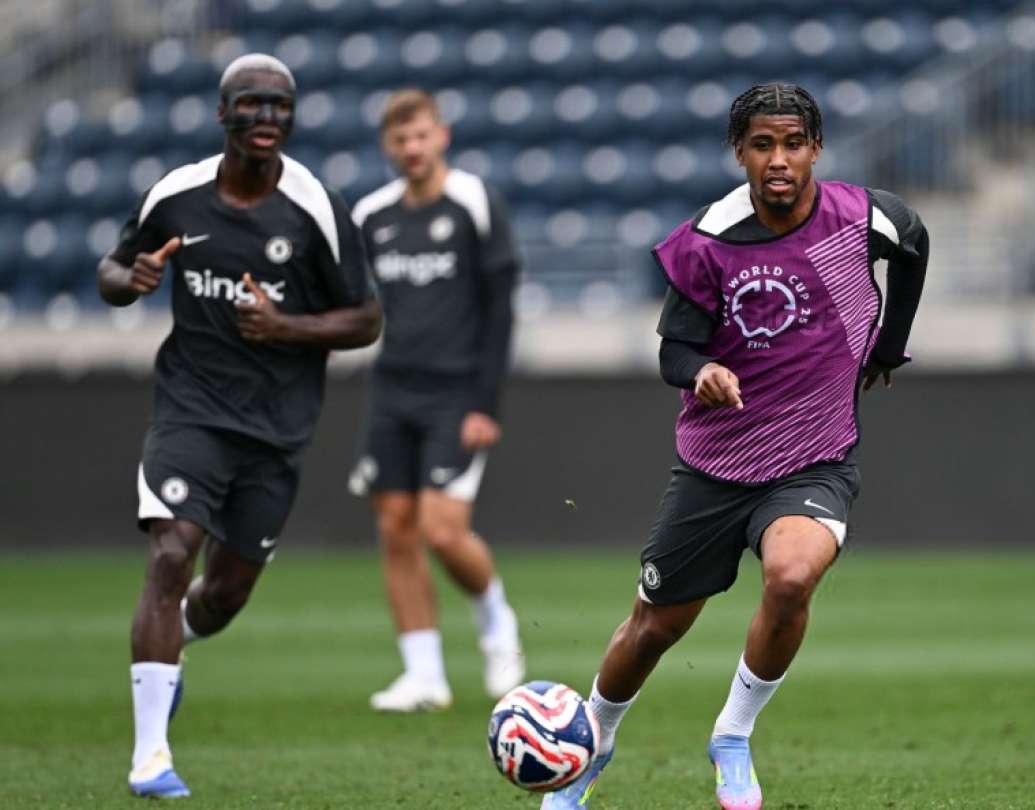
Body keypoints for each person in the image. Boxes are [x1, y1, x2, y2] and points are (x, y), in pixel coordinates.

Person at [541, 82, 930, 810]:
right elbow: (673, 353)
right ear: (739, 152)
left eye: (793, 143)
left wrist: (889, 346)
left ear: (816, 148)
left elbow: (913, 244)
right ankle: (592, 740)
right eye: (762, 145)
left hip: (814, 458)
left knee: (790, 577)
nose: (778, 159)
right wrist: (703, 371)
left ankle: (732, 736)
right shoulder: (709, 239)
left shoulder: (864, 217)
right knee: (654, 628)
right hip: (714, 469)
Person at [98, 54, 381, 798]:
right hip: (189, 409)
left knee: (224, 596)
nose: (267, 118)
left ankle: (173, 655)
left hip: (276, 429)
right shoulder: (177, 195)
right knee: (171, 554)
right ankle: (150, 755)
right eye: (252, 103)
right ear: (223, 113)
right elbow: (112, 271)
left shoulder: (315, 207)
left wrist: (287, 327)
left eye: (280, 106)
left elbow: (366, 320)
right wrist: (131, 280)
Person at [347, 89, 523, 713]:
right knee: (395, 527)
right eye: (401, 139)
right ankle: (424, 674)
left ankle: (497, 623)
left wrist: (485, 404)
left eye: (421, 135)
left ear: (441, 136)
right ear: (387, 146)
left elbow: (500, 309)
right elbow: (352, 300)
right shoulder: (371, 215)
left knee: (443, 530)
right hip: (392, 388)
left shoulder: (474, 201)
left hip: (457, 391)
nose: (412, 148)